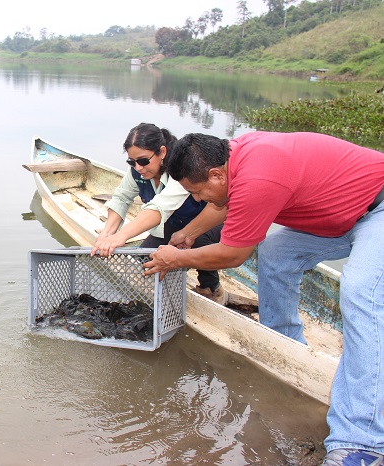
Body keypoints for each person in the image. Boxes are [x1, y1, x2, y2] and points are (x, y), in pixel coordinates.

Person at [144, 130, 384, 466]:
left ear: (215, 173)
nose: (197, 199)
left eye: (196, 191)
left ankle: (364, 444)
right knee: (275, 253)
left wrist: (177, 258)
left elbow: (233, 254)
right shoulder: (234, 159)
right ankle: (285, 347)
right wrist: (188, 234)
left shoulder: (260, 176)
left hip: (378, 209)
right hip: (342, 215)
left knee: (361, 294)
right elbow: (222, 201)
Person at [91, 123, 225, 304]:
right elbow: (121, 199)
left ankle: (212, 288)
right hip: (174, 224)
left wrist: (121, 236)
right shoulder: (137, 172)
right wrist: (107, 234)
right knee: (145, 261)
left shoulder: (181, 170)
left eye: (144, 160)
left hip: (210, 222)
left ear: (162, 152)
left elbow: (160, 206)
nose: (138, 167)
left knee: (198, 241)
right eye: (132, 161)